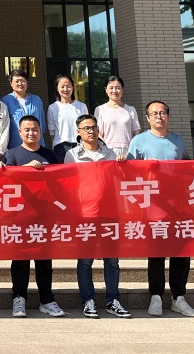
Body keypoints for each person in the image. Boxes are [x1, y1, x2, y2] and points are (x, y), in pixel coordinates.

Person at [126, 100, 194, 318]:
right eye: (154, 113)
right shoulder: (138, 141)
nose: (159, 116)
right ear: (147, 118)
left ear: (168, 116)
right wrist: (145, 168)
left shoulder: (177, 140)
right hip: (153, 207)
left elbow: (186, 167)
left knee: (181, 253)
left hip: (178, 206)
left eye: (163, 113)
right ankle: (156, 296)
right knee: (156, 254)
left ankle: (179, 298)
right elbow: (128, 172)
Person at [0, 115, 65, 318]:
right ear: (19, 132)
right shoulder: (12, 154)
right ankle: (19, 299)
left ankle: (47, 300)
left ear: (40, 131)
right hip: (20, 216)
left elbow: (60, 182)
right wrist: (25, 169)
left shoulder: (49, 154)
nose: (31, 133)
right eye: (26, 129)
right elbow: (5, 177)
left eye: (34, 129)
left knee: (44, 261)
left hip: (44, 216)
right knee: (20, 260)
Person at [65, 114, 131, 319]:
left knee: (112, 260)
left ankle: (113, 300)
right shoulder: (72, 155)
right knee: (85, 261)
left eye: (93, 127)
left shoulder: (110, 154)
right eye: (86, 128)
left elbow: (120, 181)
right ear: (78, 132)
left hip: (110, 213)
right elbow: (68, 186)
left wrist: (123, 165)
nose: (91, 131)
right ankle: (88, 300)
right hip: (85, 214)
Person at [94, 76, 141, 159]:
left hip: (128, 151)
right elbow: (99, 134)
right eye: (111, 88)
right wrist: (106, 150)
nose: (114, 91)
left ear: (123, 90)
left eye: (118, 88)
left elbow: (136, 133)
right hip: (107, 151)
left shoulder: (131, 109)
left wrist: (131, 151)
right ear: (106, 90)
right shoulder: (100, 109)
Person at [46, 73, 88, 163]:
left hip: (79, 145)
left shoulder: (81, 106)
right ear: (57, 88)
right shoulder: (53, 108)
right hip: (61, 146)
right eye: (62, 86)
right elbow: (52, 131)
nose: (65, 89)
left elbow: (86, 127)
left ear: (73, 88)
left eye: (68, 86)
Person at [3, 69, 45, 150]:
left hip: (36, 146)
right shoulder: (5, 101)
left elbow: (42, 123)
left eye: (23, 81)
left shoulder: (37, 100)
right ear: (11, 84)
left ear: (27, 83)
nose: (20, 83)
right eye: (17, 81)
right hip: (15, 146)